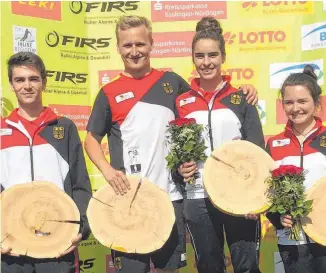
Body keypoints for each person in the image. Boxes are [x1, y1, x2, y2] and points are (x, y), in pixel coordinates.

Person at [84, 15, 258, 273]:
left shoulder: (172, 83)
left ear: (152, 44)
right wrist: (109, 173)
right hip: (127, 200)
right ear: (118, 48)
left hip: (171, 198)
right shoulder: (108, 92)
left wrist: (243, 90)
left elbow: (207, 96)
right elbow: (90, 140)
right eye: (127, 45)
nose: (134, 51)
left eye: (140, 44)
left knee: (170, 270)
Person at [175, 17, 264, 273]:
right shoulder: (181, 101)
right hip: (198, 196)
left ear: (223, 56)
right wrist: (180, 170)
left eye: (213, 55)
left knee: (246, 267)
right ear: (192, 58)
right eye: (200, 56)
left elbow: (256, 150)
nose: (206, 62)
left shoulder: (241, 98)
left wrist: (254, 197)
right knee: (209, 267)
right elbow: (174, 153)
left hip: (239, 193)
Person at [0, 52, 92, 273]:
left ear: (44, 82)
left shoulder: (65, 128)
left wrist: (81, 227)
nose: (27, 86)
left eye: (33, 79)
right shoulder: (2, 131)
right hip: (13, 244)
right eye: (20, 80)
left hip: (57, 243)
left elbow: (80, 183)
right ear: (12, 85)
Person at [266, 65, 326, 273]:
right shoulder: (273, 144)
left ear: (316, 102)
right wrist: (278, 217)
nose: (296, 108)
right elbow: (268, 194)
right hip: (292, 241)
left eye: (302, 101)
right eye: (289, 102)